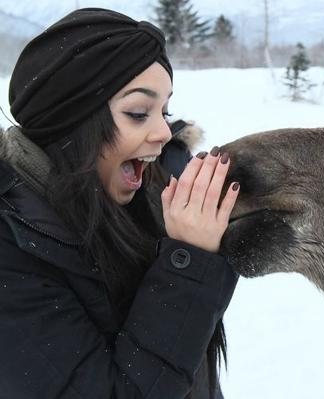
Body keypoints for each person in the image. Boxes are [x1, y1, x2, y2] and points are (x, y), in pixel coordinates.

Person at [0, 8, 240, 398]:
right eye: (138, 113)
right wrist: (189, 261)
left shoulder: (144, 189)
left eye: (164, 111)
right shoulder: (12, 247)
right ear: (72, 121)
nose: (163, 132)